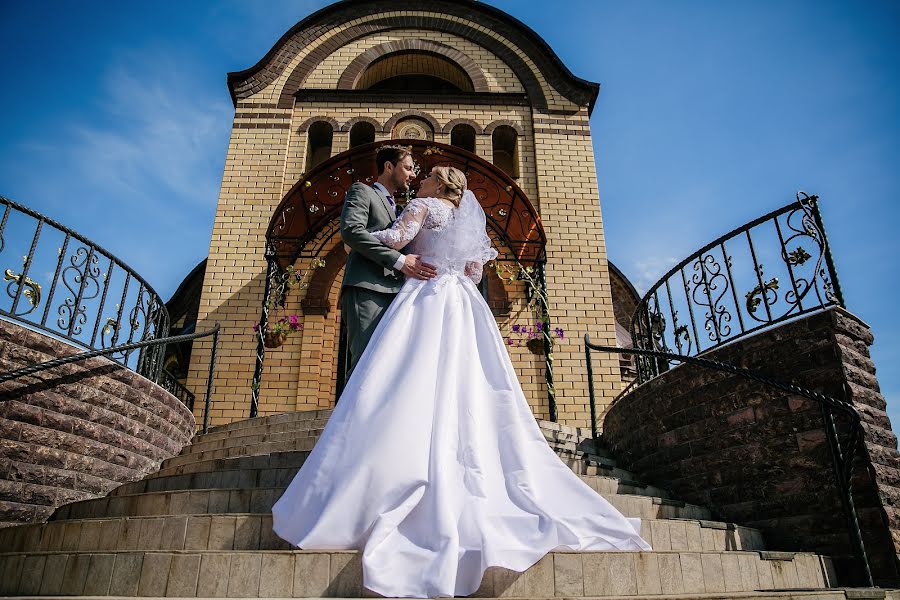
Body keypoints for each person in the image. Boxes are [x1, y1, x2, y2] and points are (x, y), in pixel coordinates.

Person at [272, 165, 650, 598]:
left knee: (405, 373)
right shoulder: (470, 218)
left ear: (439, 184)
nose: (420, 179)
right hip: (463, 301)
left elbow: (394, 241)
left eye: (427, 175)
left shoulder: (421, 205)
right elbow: (473, 272)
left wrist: (366, 243)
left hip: (425, 294)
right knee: (466, 376)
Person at [339, 145, 437, 373]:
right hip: (367, 289)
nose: (412, 175)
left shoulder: (401, 209)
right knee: (366, 363)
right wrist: (401, 262)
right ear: (388, 166)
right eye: (408, 168)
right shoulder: (362, 191)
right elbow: (351, 231)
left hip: (397, 294)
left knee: (387, 367)